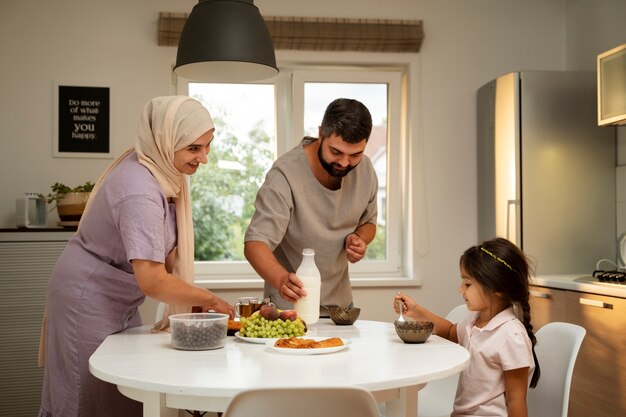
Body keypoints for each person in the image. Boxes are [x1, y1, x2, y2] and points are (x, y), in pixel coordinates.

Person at [38, 96, 234, 417]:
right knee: (86, 398)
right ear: (164, 140)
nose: (204, 158)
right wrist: (209, 299)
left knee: (124, 396)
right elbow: (153, 280)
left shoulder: (162, 172)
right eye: (194, 149)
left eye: (207, 146)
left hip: (119, 298)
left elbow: (163, 254)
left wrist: (189, 299)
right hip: (86, 298)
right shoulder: (139, 190)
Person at [244, 98, 378, 312]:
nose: (345, 163)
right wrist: (281, 279)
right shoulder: (285, 174)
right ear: (320, 133)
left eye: (355, 155)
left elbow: (369, 222)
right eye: (336, 152)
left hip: (341, 310)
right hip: (288, 308)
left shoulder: (366, 170)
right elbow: (255, 244)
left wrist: (360, 239)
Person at [394, 237, 541, 417]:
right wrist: (416, 311)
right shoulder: (474, 320)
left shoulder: (512, 335)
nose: (460, 289)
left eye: (468, 284)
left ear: (497, 288)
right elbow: (449, 332)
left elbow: (516, 401)